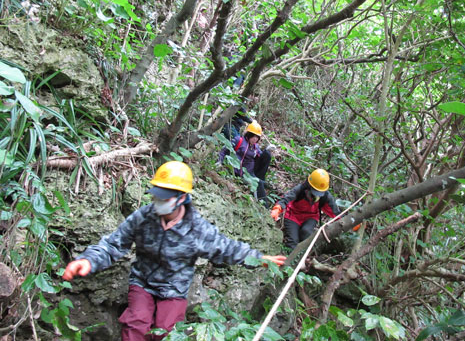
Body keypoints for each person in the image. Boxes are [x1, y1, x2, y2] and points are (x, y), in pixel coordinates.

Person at [63, 161, 285, 341]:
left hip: (174, 289)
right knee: (135, 325)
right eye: (157, 195)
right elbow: (114, 243)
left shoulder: (196, 228)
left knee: (168, 332)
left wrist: (259, 259)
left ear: (181, 198)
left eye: (165, 196)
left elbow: (226, 248)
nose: (158, 201)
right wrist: (89, 261)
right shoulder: (144, 217)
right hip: (142, 282)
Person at [270, 168, 358, 251]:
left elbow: (336, 213)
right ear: (309, 186)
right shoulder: (300, 189)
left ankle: (302, 258)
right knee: (293, 241)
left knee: (306, 232)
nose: (316, 196)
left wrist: (351, 223)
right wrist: (277, 208)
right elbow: (286, 199)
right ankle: (292, 263)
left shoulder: (326, 197)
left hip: (310, 217)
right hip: (293, 216)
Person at [218, 121, 272, 204]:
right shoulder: (239, 140)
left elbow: (261, 157)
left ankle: (260, 181)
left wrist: (267, 150)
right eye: (253, 136)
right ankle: (264, 206)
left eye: (257, 137)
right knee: (259, 184)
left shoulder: (255, 147)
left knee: (267, 154)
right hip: (238, 171)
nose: (255, 139)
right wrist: (219, 161)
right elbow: (224, 150)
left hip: (250, 172)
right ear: (249, 134)